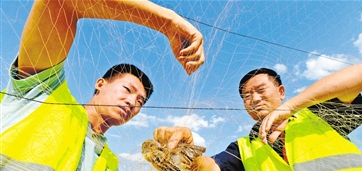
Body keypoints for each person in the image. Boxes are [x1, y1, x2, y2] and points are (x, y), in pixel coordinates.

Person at [0, 0, 205, 170]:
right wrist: (167, 22)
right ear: (100, 83)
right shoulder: (44, 94)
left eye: (140, 101)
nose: (132, 102)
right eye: (128, 89)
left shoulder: (109, 163)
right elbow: (60, 3)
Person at [153, 64, 362, 170]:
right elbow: (210, 167)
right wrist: (185, 150)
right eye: (246, 96)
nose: (253, 98)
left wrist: (291, 106)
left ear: (281, 92)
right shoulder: (243, 148)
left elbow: (357, 74)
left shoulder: (315, 116)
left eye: (261, 90)